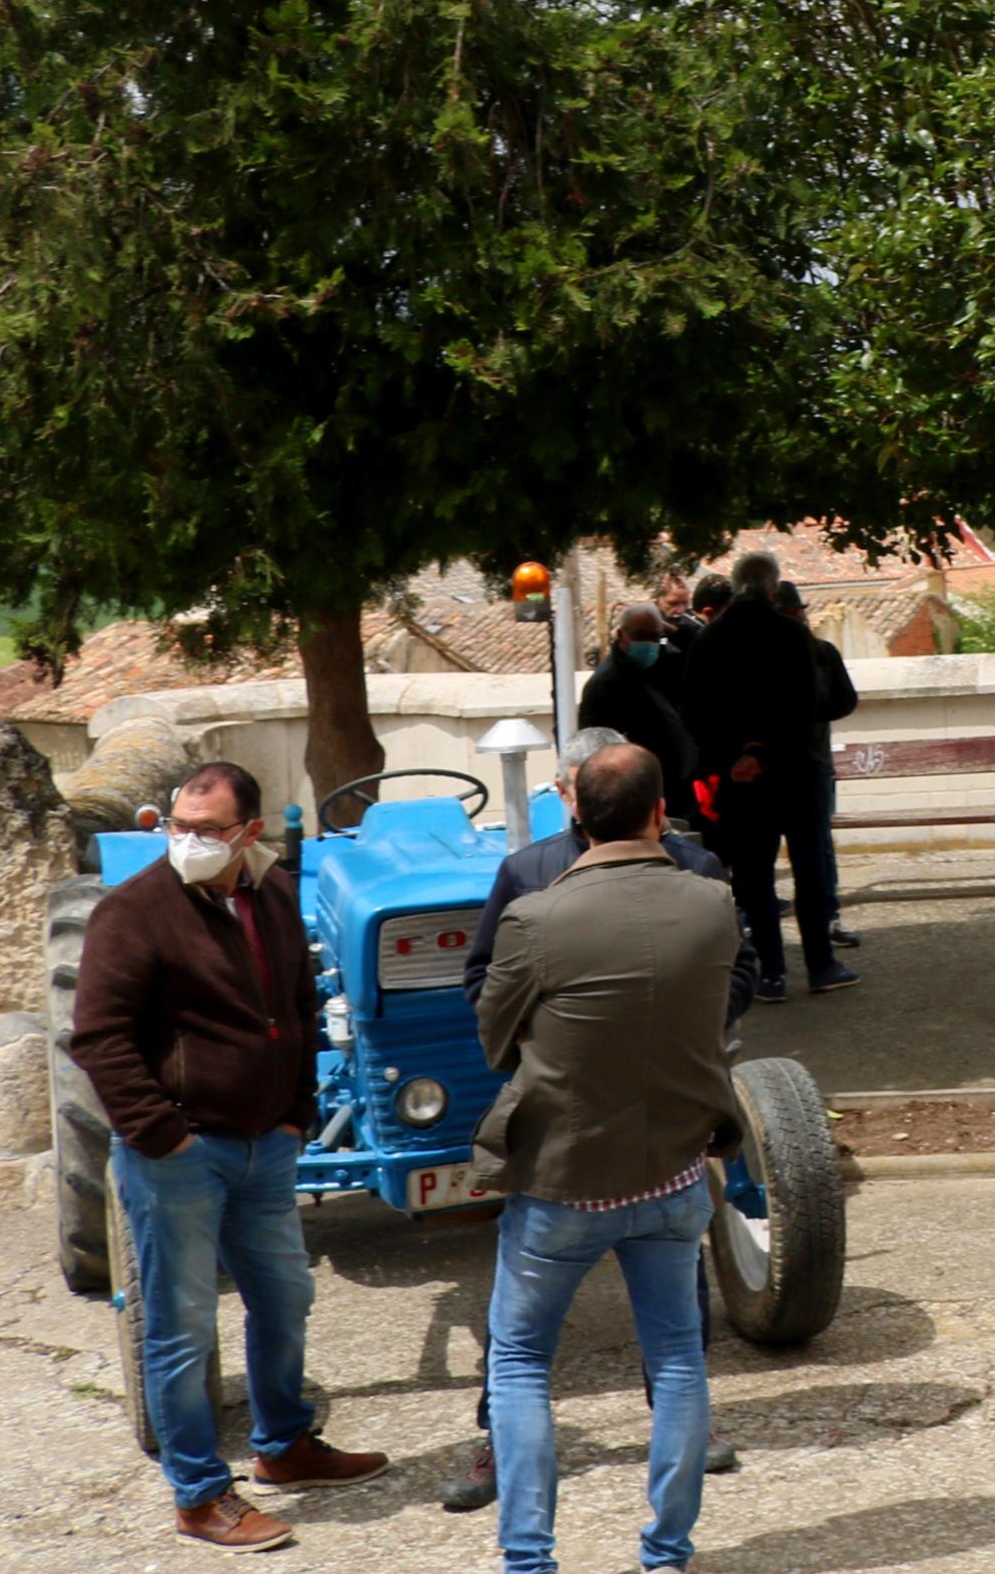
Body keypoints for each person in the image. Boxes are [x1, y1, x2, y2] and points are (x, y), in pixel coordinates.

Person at [67, 758, 391, 1550]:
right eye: (178, 825)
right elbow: (98, 1038)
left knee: (285, 1298)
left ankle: (285, 1446)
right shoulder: (133, 910)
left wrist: (298, 1113)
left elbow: (298, 1002)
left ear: (249, 832)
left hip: (266, 1147)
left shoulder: (273, 890)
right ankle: (199, 1493)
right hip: (180, 1153)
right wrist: (161, 1134)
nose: (187, 840)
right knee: (181, 1328)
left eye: (207, 829)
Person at [443, 730, 752, 1513]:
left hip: (574, 1169)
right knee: (671, 1348)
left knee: (522, 1358)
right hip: (659, 1159)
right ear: (654, 807)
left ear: (579, 798)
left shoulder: (691, 876)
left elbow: (493, 1026)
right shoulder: (531, 877)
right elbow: (486, 982)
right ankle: (665, 1549)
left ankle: (529, 1556)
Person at [680, 549, 848, 1000]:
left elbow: (695, 712)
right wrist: (767, 750)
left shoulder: (710, 639)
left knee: (753, 874)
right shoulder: (792, 635)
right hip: (796, 770)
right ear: (774, 589)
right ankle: (820, 965)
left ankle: (770, 972)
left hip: (740, 780)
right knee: (810, 868)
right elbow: (805, 706)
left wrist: (736, 756)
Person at [770, 579, 863, 954]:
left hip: (811, 762)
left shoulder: (821, 653)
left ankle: (830, 916)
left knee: (818, 848)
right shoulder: (773, 656)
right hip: (791, 765)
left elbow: (845, 700)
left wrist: (810, 714)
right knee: (811, 849)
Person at [574, 604, 698, 797]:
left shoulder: (661, 665)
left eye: (654, 636)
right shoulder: (605, 684)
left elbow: (699, 645)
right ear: (622, 635)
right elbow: (593, 748)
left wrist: (669, 629)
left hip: (675, 788)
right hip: (637, 794)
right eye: (640, 635)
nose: (648, 643)